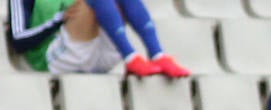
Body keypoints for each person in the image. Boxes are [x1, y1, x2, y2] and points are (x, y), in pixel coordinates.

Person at [7, 0, 189, 76]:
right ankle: (130, 56)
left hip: (98, 51)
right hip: (55, 58)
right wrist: (57, 21)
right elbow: (18, 40)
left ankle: (158, 55)